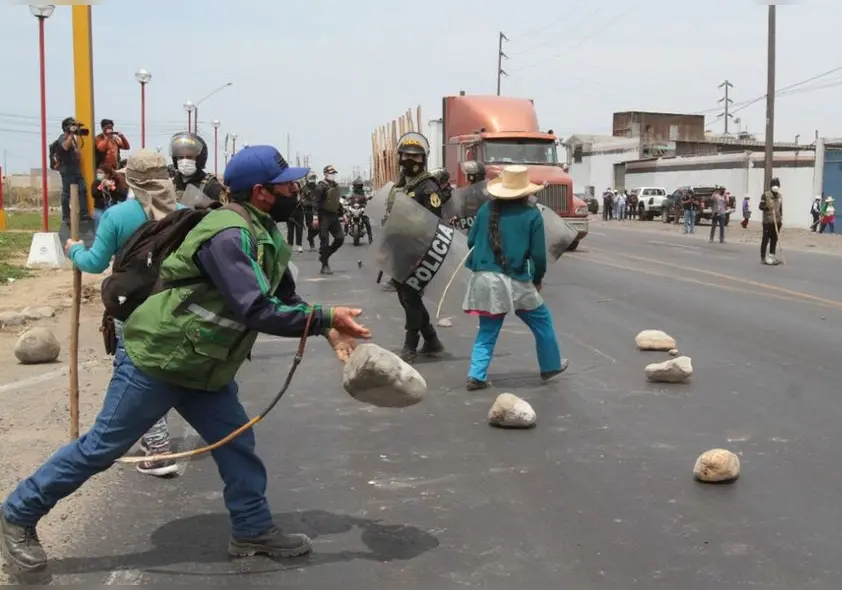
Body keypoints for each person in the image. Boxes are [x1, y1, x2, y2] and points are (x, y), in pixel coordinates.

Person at [0, 145, 372, 575]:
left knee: (237, 444)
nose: (295, 189)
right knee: (102, 447)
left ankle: (252, 529)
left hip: (203, 364)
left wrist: (326, 327)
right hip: (157, 358)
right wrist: (323, 316)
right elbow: (253, 307)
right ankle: (18, 514)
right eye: (287, 183)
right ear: (261, 191)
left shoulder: (263, 230)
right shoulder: (228, 235)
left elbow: (283, 296)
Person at [68, 150, 186, 478]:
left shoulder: (119, 216)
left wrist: (74, 249)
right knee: (167, 371)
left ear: (129, 179)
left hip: (131, 307)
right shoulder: (184, 213)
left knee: (137, 375)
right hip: (177, 308)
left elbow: (93, 263)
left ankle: (157, 448)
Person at [462, 165, 568, 391]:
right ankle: (550, 365)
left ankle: (476, 375)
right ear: (525, 192)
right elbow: (539, 255)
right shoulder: (531, 215)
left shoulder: (484, 211)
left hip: (483, 279)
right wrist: (538, 279)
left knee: (487, 329)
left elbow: (471, 242)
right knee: (541, 321)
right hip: (515, 280)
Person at [385, 132, 447, 362]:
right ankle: (431, 339)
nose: (410, 161)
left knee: (410, 296)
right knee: (405, 297)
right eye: (406, 156)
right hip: (399, 250)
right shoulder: (401, 184)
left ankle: (410, 345)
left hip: (418, 252)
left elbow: (433, 223)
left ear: (424, 160)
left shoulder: (428, 187)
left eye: (416, 157)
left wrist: (422, 254)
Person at [52, 117, 91, 225]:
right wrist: (71, 134)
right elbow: (65, 147)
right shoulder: (62, 137)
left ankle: (84, 214)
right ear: (66, 127)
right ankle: (66, 216)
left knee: (82, 190)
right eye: (71, 125)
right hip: (67, 169)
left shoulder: (73, 138)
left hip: (75, 169)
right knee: (66, 194)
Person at [169, 132, 226, 203]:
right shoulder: (170, 184)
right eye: (180, 157)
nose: (184, 160)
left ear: (199, 158)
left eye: (189, 157)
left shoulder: (211, 186)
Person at [314, 165, 344, 274]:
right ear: (325, 174)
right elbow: (315, 203)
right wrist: (315, 217)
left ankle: (324, 256)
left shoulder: (335, 186)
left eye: (334, 173)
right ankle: (325, 265)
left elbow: (337, 201)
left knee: (340, 238)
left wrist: (342, 214)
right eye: (331, 173)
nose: (333, 175)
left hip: (334, 215)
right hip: (323, 216)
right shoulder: (320, 187)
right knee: (324, 241)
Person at [90, 163, 128, 230]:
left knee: (111, 226)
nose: (99, 174)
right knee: (99, 226)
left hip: (112, 207)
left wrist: (113, 188)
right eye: (98, 172)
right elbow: (94, 194)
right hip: (100, 208)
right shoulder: (96, 182)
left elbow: (123, 195)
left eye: (101, 173)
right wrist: (101, 186)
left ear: (107, 174)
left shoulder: (115, 181)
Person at [758, 184, 782, 264]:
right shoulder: (765, 195)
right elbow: (761, 206)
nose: (776, 187)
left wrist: (780, 220)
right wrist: (768, 208)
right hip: (768, 221)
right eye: (774, 185)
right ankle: (763, 258)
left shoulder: (779, 196)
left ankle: (772, 257)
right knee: (765, 240)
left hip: (777, 221)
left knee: (774, 240)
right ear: (771, 186)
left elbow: (780, 208)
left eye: (777, 185)